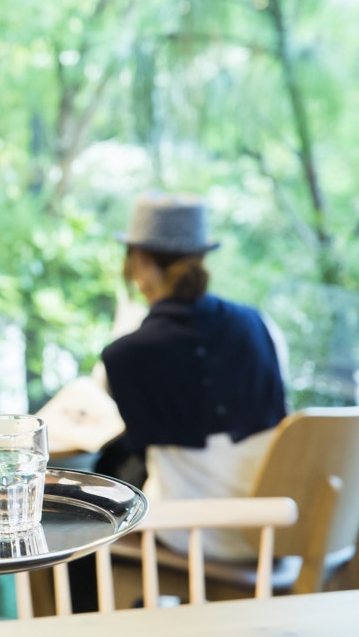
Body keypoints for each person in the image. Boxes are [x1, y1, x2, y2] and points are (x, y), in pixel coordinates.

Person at [100, 190, 288, 560]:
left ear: (139, 261)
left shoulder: (123, 355)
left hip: (189, 534)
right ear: (203, 257)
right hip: (274, 530)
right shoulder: (261, 325)